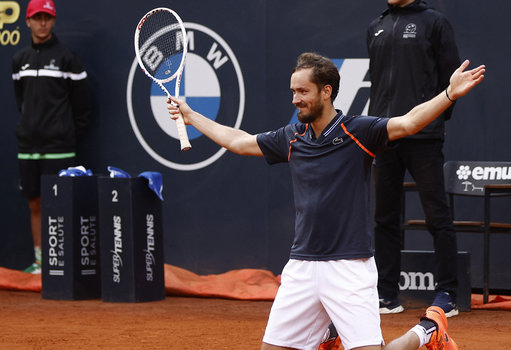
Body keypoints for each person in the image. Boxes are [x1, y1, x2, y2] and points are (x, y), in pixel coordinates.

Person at [168, 52, 484, 349]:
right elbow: (239, 141)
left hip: (349, 266)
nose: (295, 99)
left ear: (326, 92)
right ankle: (330, 331)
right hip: (302, 266)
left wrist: (449, 94)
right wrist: (192, 116)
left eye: (303, 91)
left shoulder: (358, 131)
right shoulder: (291, 138)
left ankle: (426, 332)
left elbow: (410, 122)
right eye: (293, 92)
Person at [367, 0, 461, 316]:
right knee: (385, 218)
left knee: (437, 215)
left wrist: (432, 122)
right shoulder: (375, 26)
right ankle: (386, 295)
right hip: (385, 134)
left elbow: (452, 82)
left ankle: (447, 293)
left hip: (424, 138)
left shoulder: (434, 23)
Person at [11, 0, 91, 274]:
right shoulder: (19, 60)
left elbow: (82, 105)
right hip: (28, 146)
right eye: (37, 18)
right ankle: (40, 261)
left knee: (60, 203)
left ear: (54, 21)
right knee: (35, 202)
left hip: (60, 146)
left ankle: (62, 263)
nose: (42, 23)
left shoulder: (68, 57)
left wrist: (65, 132)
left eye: (47, 18)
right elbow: (21, 100)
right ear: (28, 21)